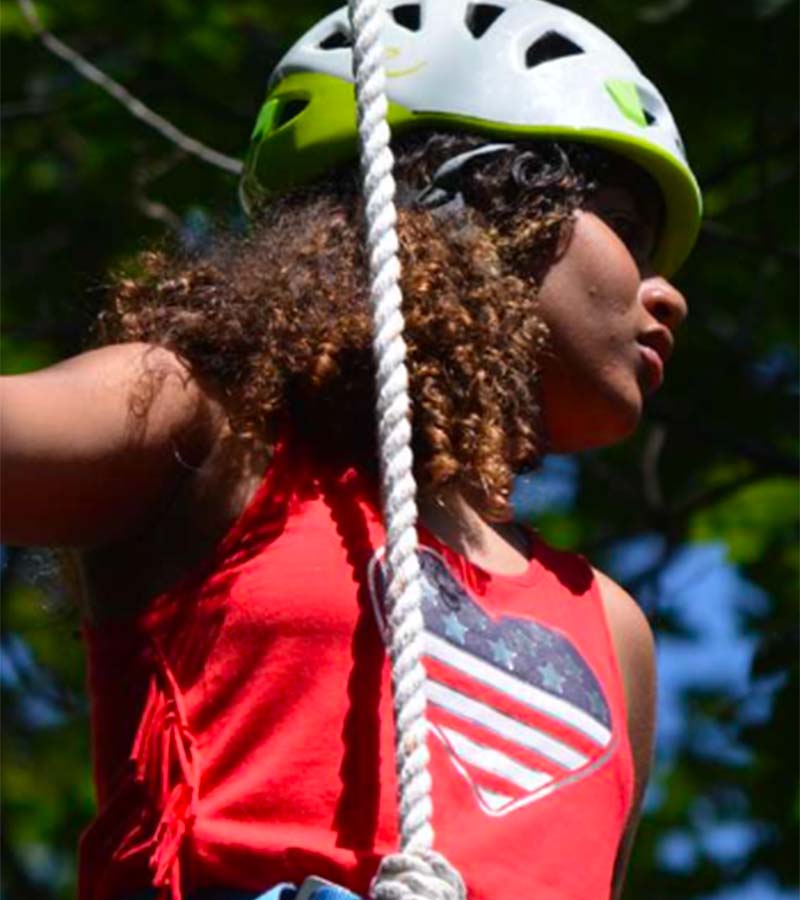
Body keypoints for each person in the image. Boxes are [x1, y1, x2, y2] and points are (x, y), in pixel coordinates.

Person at [0, 1, 702, 899]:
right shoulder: (211, 434)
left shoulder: (611, 628)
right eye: (627, 230)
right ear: (461, 208)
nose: (668, 296)